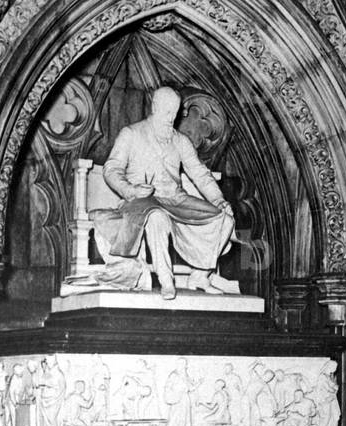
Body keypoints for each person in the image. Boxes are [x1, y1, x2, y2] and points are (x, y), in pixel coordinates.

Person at [85, 86, 235, 300]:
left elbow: (200, 174)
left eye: (173, 114)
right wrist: (131, 189)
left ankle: (201, 276)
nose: (170, 119)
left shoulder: (180, 140)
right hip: (142, 200)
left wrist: (218, 199)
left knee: (224, 219)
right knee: (157, 218)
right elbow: (111, 169)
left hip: (176, 199)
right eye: (166, 113)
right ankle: (166, 281)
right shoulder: (132, 133)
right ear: (154, 107)